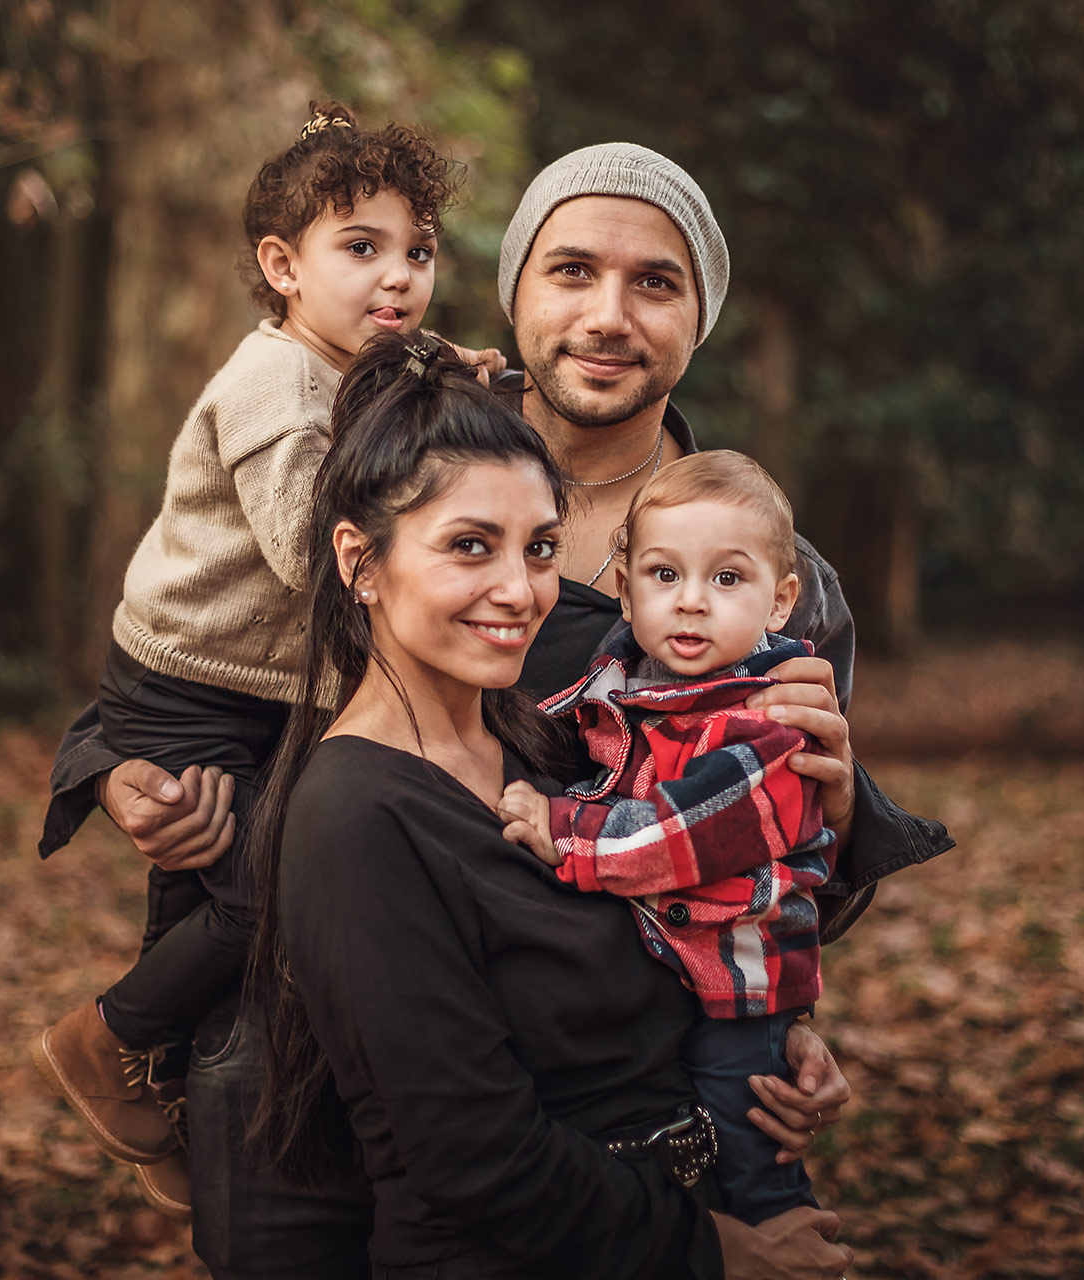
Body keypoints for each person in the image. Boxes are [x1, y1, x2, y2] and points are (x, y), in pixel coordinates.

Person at [39, 140, 949, 1272]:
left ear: (698, 317)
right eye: (570, 270)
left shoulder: (754, 566)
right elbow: (209, 640)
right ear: (515, 289)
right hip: (306, 1069)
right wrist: (120, 769)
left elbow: (778, 870)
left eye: (655, 282)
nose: (608, 315)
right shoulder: (400, 446)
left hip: (607, 1100)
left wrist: (773, 1011)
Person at [248, 332, 854, 1278]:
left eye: (538, 549)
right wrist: (713, 1253)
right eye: (469, 548)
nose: (519, 590)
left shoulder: (557, 742)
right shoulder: (354, 818)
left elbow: (671, 910)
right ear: (360, 563)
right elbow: (474, 1155)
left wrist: (769, 1040)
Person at [28, 100, 474, 1217]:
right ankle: (109, 1037)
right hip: (190, 676)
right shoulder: (276, 386)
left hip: (239, 679)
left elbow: (393, 386)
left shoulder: (346, 361)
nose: (400, 277)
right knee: (258, 882)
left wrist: (442, 371)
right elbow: (303, 549)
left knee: (201, 882)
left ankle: (158, 1082)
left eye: (418, 250)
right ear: (281, 265)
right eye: (361, 248)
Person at [497, 449, 845, 1227]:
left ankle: (786, 1249)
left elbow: (675, 839)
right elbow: (551, 737)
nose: (691, 603)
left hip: (731, 999)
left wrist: (563, 831)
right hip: (649, 988)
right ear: (623, 588)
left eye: (727, 579)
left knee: (750, 1161)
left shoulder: (776, 724)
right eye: (663, 575)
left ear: (780, 601)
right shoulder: (619, 681)